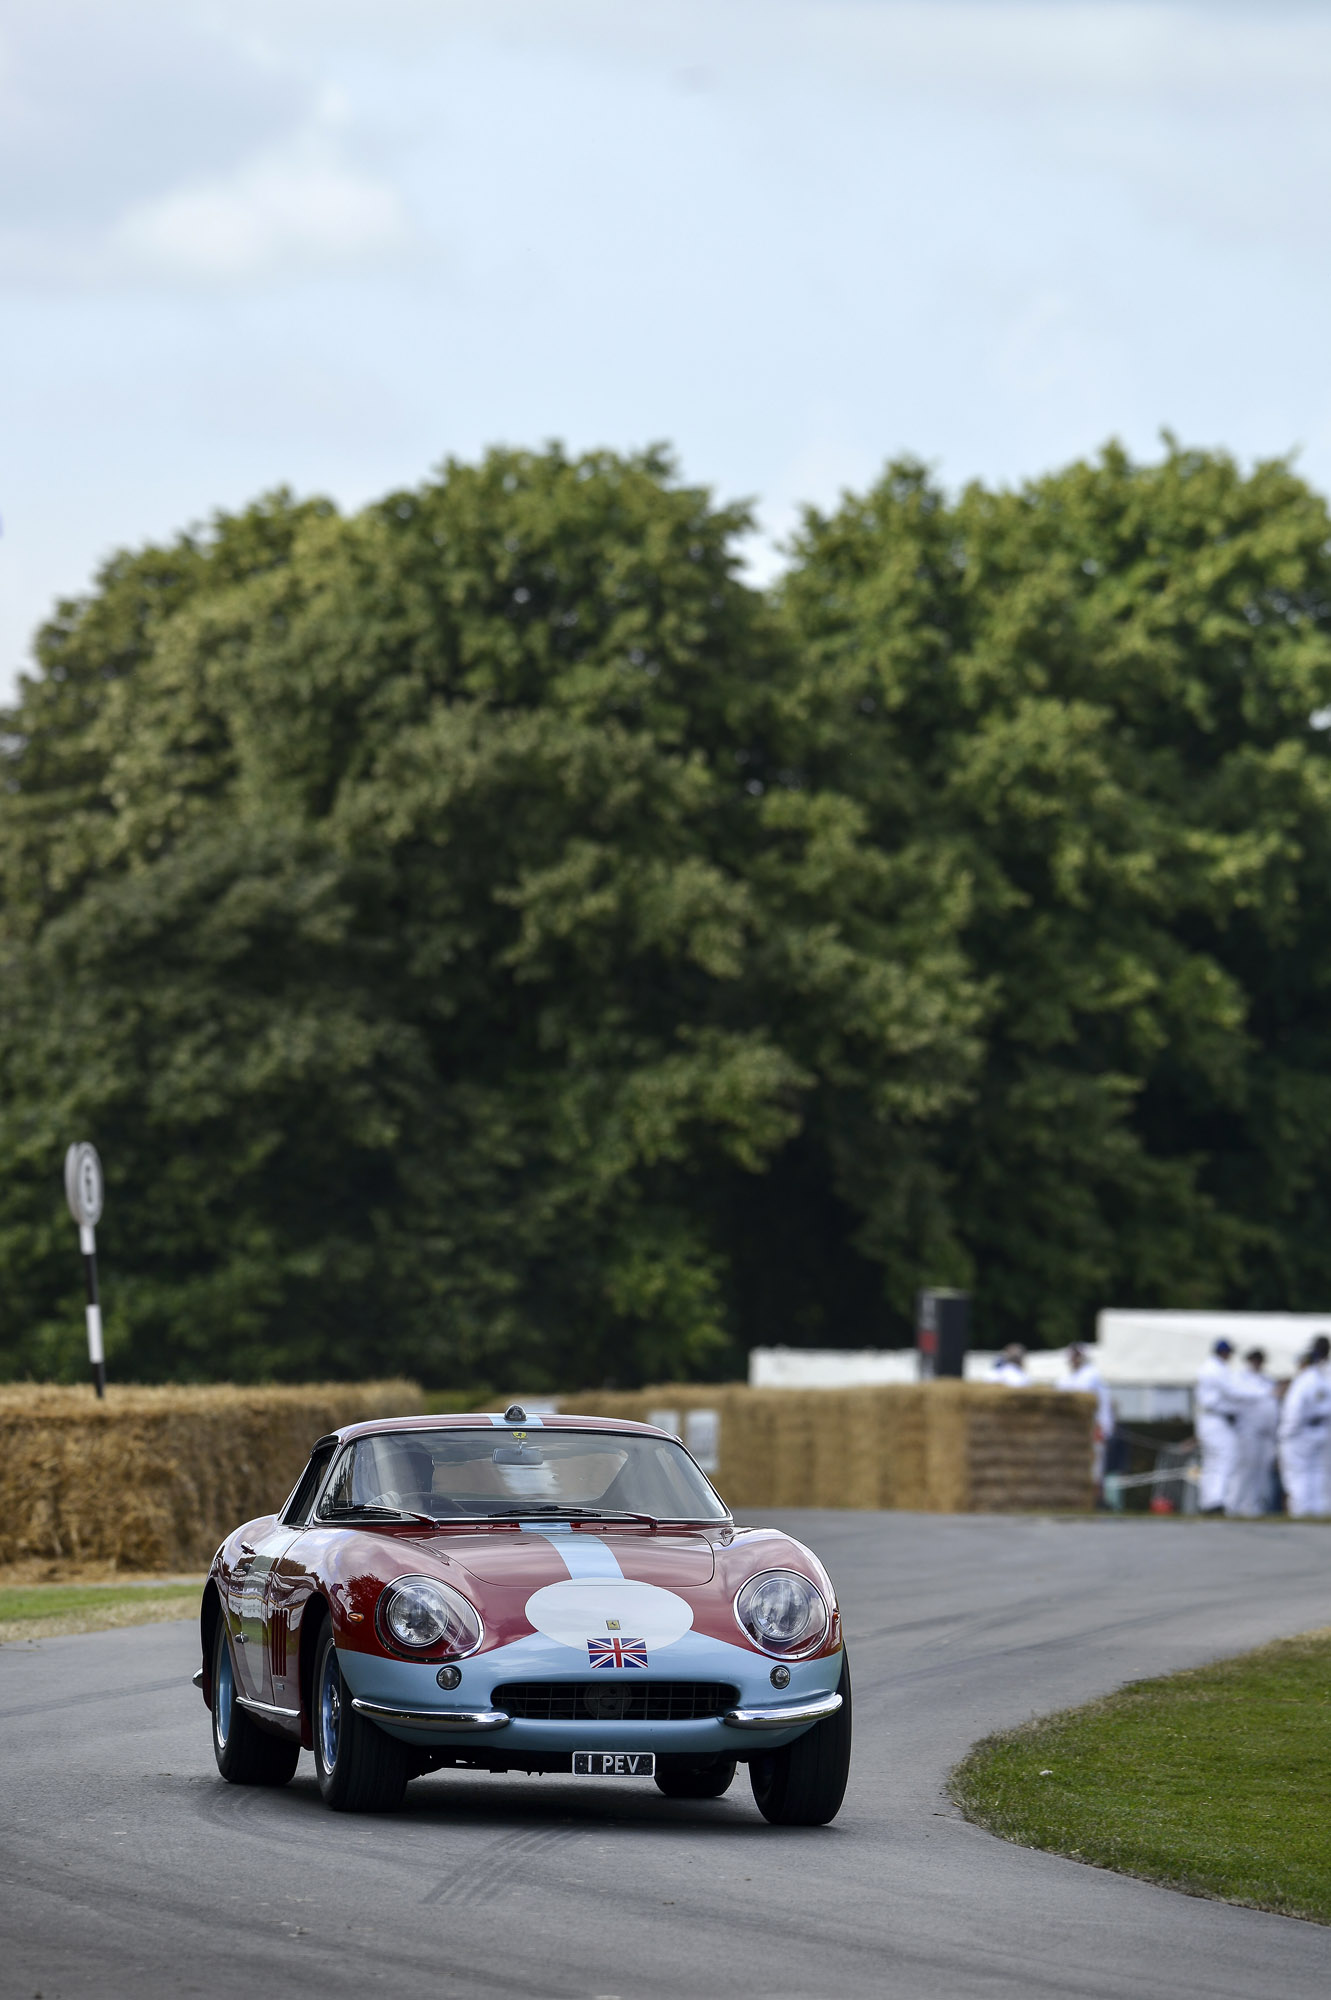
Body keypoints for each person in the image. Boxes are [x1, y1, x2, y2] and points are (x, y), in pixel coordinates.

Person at [1277, 1335, 1331, 1517]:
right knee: (1319, 1474)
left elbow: (1293, 1413)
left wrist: (1284, 1435)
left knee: (1298, 1475)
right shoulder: (1323, 1379)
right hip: (1322, 1431)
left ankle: (1301, 1512)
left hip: (1300, 1434)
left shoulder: (1303, 1381)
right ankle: (1320, 1511)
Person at [1225, 1348, 1279, 1517]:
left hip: (1267, 1433)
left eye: (1260, 1360)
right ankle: (1233, 1505)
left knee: (1261, 1472)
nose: (1257, 1363)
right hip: (1247, 1431)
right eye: (1255, 1359)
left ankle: (1254, 1507)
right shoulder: (1239, 1378)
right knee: (1244, 1470)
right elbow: (1237, 1397)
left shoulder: (1267, 1379)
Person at [1056, 1342, 1115, 1491]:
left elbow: (1103, 1402)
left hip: (1091, 1426)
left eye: (1077, 1357)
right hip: (1071, 1429)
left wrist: (1103, 1426)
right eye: (1072, 1357)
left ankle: (1095, 1498)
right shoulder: (1065, 1378)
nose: (1074, 1360)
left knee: (1095, 1465)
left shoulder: (1092, 1375)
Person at [1194, 1338, 1243, 1514]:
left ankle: (1209, 1500)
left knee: (1212, 1462)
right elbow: (1233, 1391)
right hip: (1216, 1418)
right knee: (1225, 1457)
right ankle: (1217, 1500)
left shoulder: (1212, 1368)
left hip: (1212, 1419)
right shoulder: (1215, 1369)